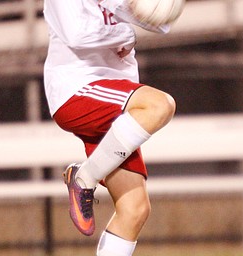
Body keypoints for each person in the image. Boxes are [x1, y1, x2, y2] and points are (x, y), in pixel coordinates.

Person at [43, 0, 176, 255]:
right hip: (77, 88)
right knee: (159, 106)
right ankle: (85, 177)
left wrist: (145, 7)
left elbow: (162, 22)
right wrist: (125, 33)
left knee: (134, 209)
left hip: (113, 97)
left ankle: (85, 176)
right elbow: (77, 34)